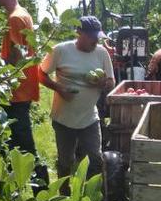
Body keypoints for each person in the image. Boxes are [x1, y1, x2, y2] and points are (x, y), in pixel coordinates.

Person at [0, 0, 50, 187]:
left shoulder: (15, 18)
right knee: (16, 146)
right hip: (21, 92)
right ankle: (18, 190)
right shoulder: (23, 13)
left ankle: (41, 195)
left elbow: (16, 59)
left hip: (16, 93)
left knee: (24, 149)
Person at [39, 16, 115, 189]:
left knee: (95, 159)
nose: (96, 40)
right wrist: (59, 88)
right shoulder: (60, 51)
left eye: (98, 36)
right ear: (79, 33)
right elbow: (40, 73)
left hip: (89, 118)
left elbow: (111, 82)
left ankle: (94, 197)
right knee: (66, 162)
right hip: (64, 119)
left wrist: (102, 83)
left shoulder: (101, 53)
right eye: (91, 36)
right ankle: (63, 198)